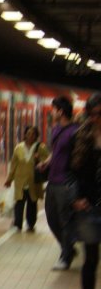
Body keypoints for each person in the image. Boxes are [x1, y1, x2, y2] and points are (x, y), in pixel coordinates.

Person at [69, 92, 101, 289]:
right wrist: (76, 197)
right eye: (94, 115)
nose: (97, 119)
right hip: (89, 206)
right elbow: (72, 172)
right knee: (90, 259)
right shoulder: (81, 137)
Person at [41, 96, 80, 270]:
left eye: (54, 109)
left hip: (65, 182)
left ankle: (66, 256)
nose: (52, 112)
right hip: (52, 180)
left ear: (61, 111)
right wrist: (47, 162)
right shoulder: (56, 129)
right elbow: (55, 152)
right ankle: (68, 247)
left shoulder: (75, 132)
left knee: (65, 220)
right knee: (51, 218)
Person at [4, 125, 48, 232]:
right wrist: (9, 179)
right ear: (24, 135)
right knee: (19, 203)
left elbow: (47, 161)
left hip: (34, 181)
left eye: (33, 134)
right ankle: (17, 223)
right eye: (28, 134)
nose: (30, 136)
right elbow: (13, 165)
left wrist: (39, 159)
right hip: (20, 181)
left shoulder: (41, 148)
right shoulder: (18, 148)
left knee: (32, 203)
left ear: (36, 136)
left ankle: (31, 223)